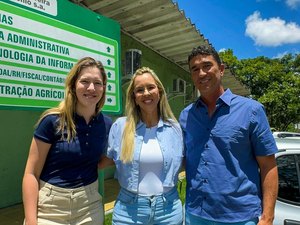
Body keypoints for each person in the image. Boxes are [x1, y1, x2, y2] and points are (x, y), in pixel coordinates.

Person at [179, 45, 278, 225]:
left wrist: (268, 217)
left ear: (221, 69)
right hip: (196, 215)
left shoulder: (252, 111)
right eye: (195, 69)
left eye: (207, 66)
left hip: (240, 217)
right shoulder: (187, 115)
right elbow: (184, 159)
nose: (201, 73)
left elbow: (268, 166)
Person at [22, 57, 112, 225]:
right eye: (85, 81)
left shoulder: (106, 124)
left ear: (103, 88)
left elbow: (98, 162)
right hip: (50, 209)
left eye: (97, 83)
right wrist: (31, 220)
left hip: (89, 206)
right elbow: (31, 174)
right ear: (73, 85)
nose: (91, 88)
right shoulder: (52, 121)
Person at [100, 67, 184, 225]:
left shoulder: (174, 128)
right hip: (129, 210)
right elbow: (106, 160)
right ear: (134, 97)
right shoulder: (120, 127)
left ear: (159, 91)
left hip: (169, 210)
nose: (146, 93)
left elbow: (185, 160)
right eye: (140, 90)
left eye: (151, 87)